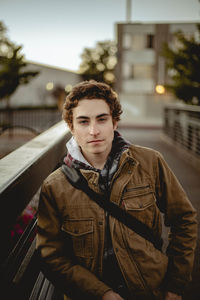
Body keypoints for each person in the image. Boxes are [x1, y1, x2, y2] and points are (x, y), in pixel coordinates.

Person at [36, 80, 197, 300]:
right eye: (83, 122)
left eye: (102, 119)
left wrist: (176, 285)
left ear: (115, 122)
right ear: (72, 127)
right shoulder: (55, 186)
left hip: (152, 291)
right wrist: (101, 293)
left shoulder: (149, 162)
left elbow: (184, 218)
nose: (94, 131)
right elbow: (51, 255)